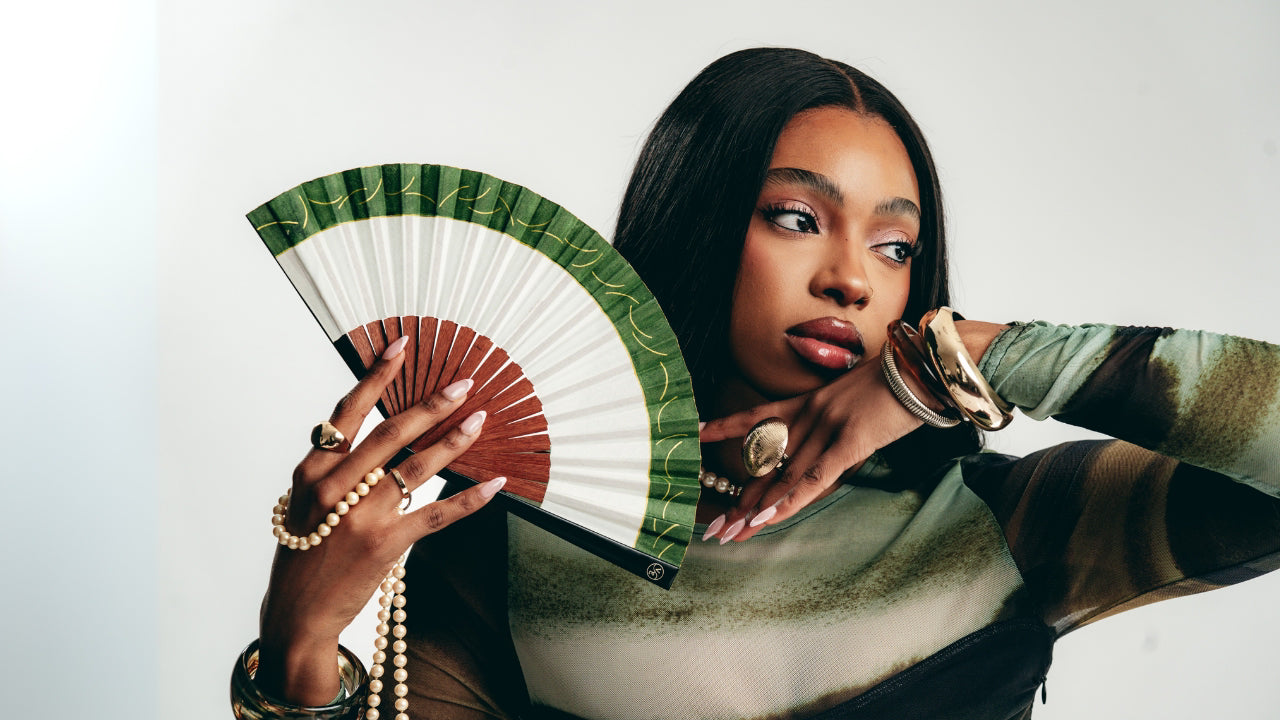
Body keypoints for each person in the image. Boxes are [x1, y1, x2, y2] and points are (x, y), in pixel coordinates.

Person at [236, 47, 1280, 720]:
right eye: (795, 218)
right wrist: (300, 643)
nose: (847, 279)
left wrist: (960, 361)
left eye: (894, 247)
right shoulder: (499, 554)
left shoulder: (1011, 523)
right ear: (696, 222)